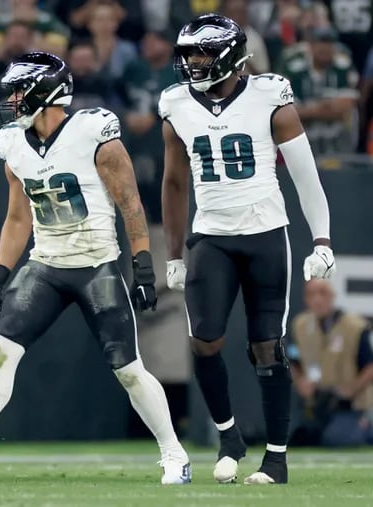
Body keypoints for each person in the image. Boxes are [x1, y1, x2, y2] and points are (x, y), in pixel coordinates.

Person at [0, 51, 191, 485]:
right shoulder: (12, 142)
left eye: (20, 91)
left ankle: (174, 452)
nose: (12, 99)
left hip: (96, 264)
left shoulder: (91, 132)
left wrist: (142, 264)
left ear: (45, 93)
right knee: (2, 349)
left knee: (127, 367)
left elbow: (130, 204)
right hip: (45, 264)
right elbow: (17, 217)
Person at [160, 14, 336, 485]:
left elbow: (305, 175)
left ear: (231, 56)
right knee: (204, 340)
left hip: (264, 233)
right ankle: (229, 436)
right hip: (211, 234)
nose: (193, 62)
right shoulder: (176, 103)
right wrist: (174, 252)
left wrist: (321, 238)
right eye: (189, 54)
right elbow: (174, 181)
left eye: (201, 53)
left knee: (267, 347)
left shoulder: (269, 96)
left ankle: (275, 460)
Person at [288, 279, 373, 447]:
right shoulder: (300, 325)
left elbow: (370, 365)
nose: (317, 299)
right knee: (300, 438)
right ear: (306, 299)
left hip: (349, 404)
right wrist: (300, 382)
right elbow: (293, 360)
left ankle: (367, 426)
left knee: (338, 438)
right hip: (316, 403)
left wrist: (352, 388)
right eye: (311, 294)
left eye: (323, 293)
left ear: (332, 296)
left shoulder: (354, 326)